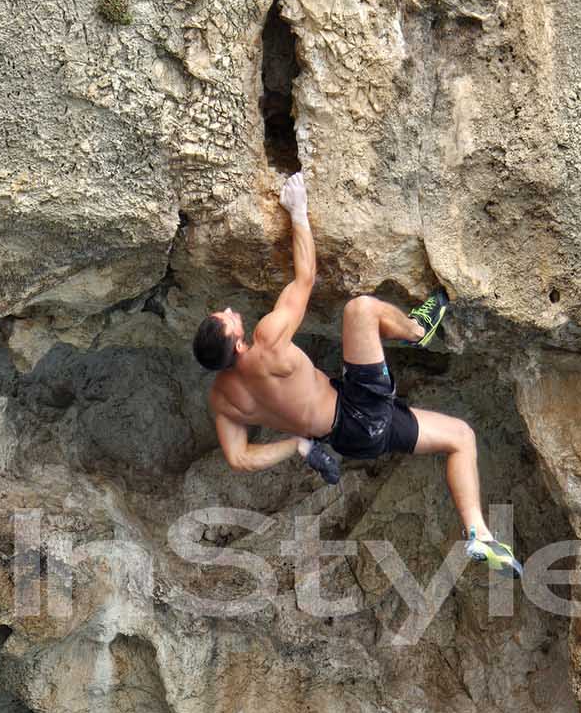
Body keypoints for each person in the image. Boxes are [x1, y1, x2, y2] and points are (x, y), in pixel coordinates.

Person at [192, 173, 522, 578]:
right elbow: (306, 278)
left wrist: (297, 446)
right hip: (357, 408)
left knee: (460, 437)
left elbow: (239, 459)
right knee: (361, 310)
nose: (229, 311)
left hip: (350, 440)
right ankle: (420, 332)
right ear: (238, 345)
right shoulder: (268, 342)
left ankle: (478, 533)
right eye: (227, 320)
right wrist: (298, 212)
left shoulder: (223, 400)